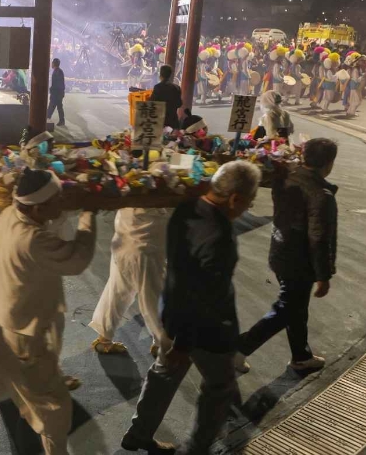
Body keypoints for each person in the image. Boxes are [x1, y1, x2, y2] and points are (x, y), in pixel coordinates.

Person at [0, 168, 97, 455]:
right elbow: (77, 260)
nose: (62, 202)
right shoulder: (34, 239)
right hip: (27, 335)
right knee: (54, 407)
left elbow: (45, 218)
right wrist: (89, 214)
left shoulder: (6, 217)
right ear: (39, 207)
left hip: (3, 320)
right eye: (58, 199)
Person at [122, 160, 260, 455]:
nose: (248, 208)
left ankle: (138, 433)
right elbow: (202, 294)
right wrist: (183, 343)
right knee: (219, 386)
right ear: (235, 198)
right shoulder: (219, 237)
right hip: (203, 330)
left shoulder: (186, 208)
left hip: (170, 313)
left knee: (163, 374)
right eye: (250, 201)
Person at [235, 138, 338, 374]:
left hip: (280, 252)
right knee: (287, 309)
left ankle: (301, 356)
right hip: (300, 262)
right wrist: (323, 275)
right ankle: (239, 348)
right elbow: (319, 237)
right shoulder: (321, 195)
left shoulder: (285, 176)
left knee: (296, 307)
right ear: (329, 163)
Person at [89, 206, 170, 358]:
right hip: (144, 248)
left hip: (125, 240)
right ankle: (162, 343)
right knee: (152, 297)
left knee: (118, 290)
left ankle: (104, 338)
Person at [149, 64, 182, 130]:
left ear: (160, 75)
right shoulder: (177, 87)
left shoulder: (158, 87)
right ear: (170, 75)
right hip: (173, 121)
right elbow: (179, 104)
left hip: (160, 121)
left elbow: (151, 102)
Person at [47, 58, 66, 127]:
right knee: (57, 107)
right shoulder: (59, 71)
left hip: (56, 93)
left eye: (52, 63)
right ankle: (61, 120)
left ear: (54, 64)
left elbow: (57, 84)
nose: (51, 64)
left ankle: (47, 118)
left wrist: (52, 90)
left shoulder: (57, 72)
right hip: (58, 93)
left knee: (53, 106)